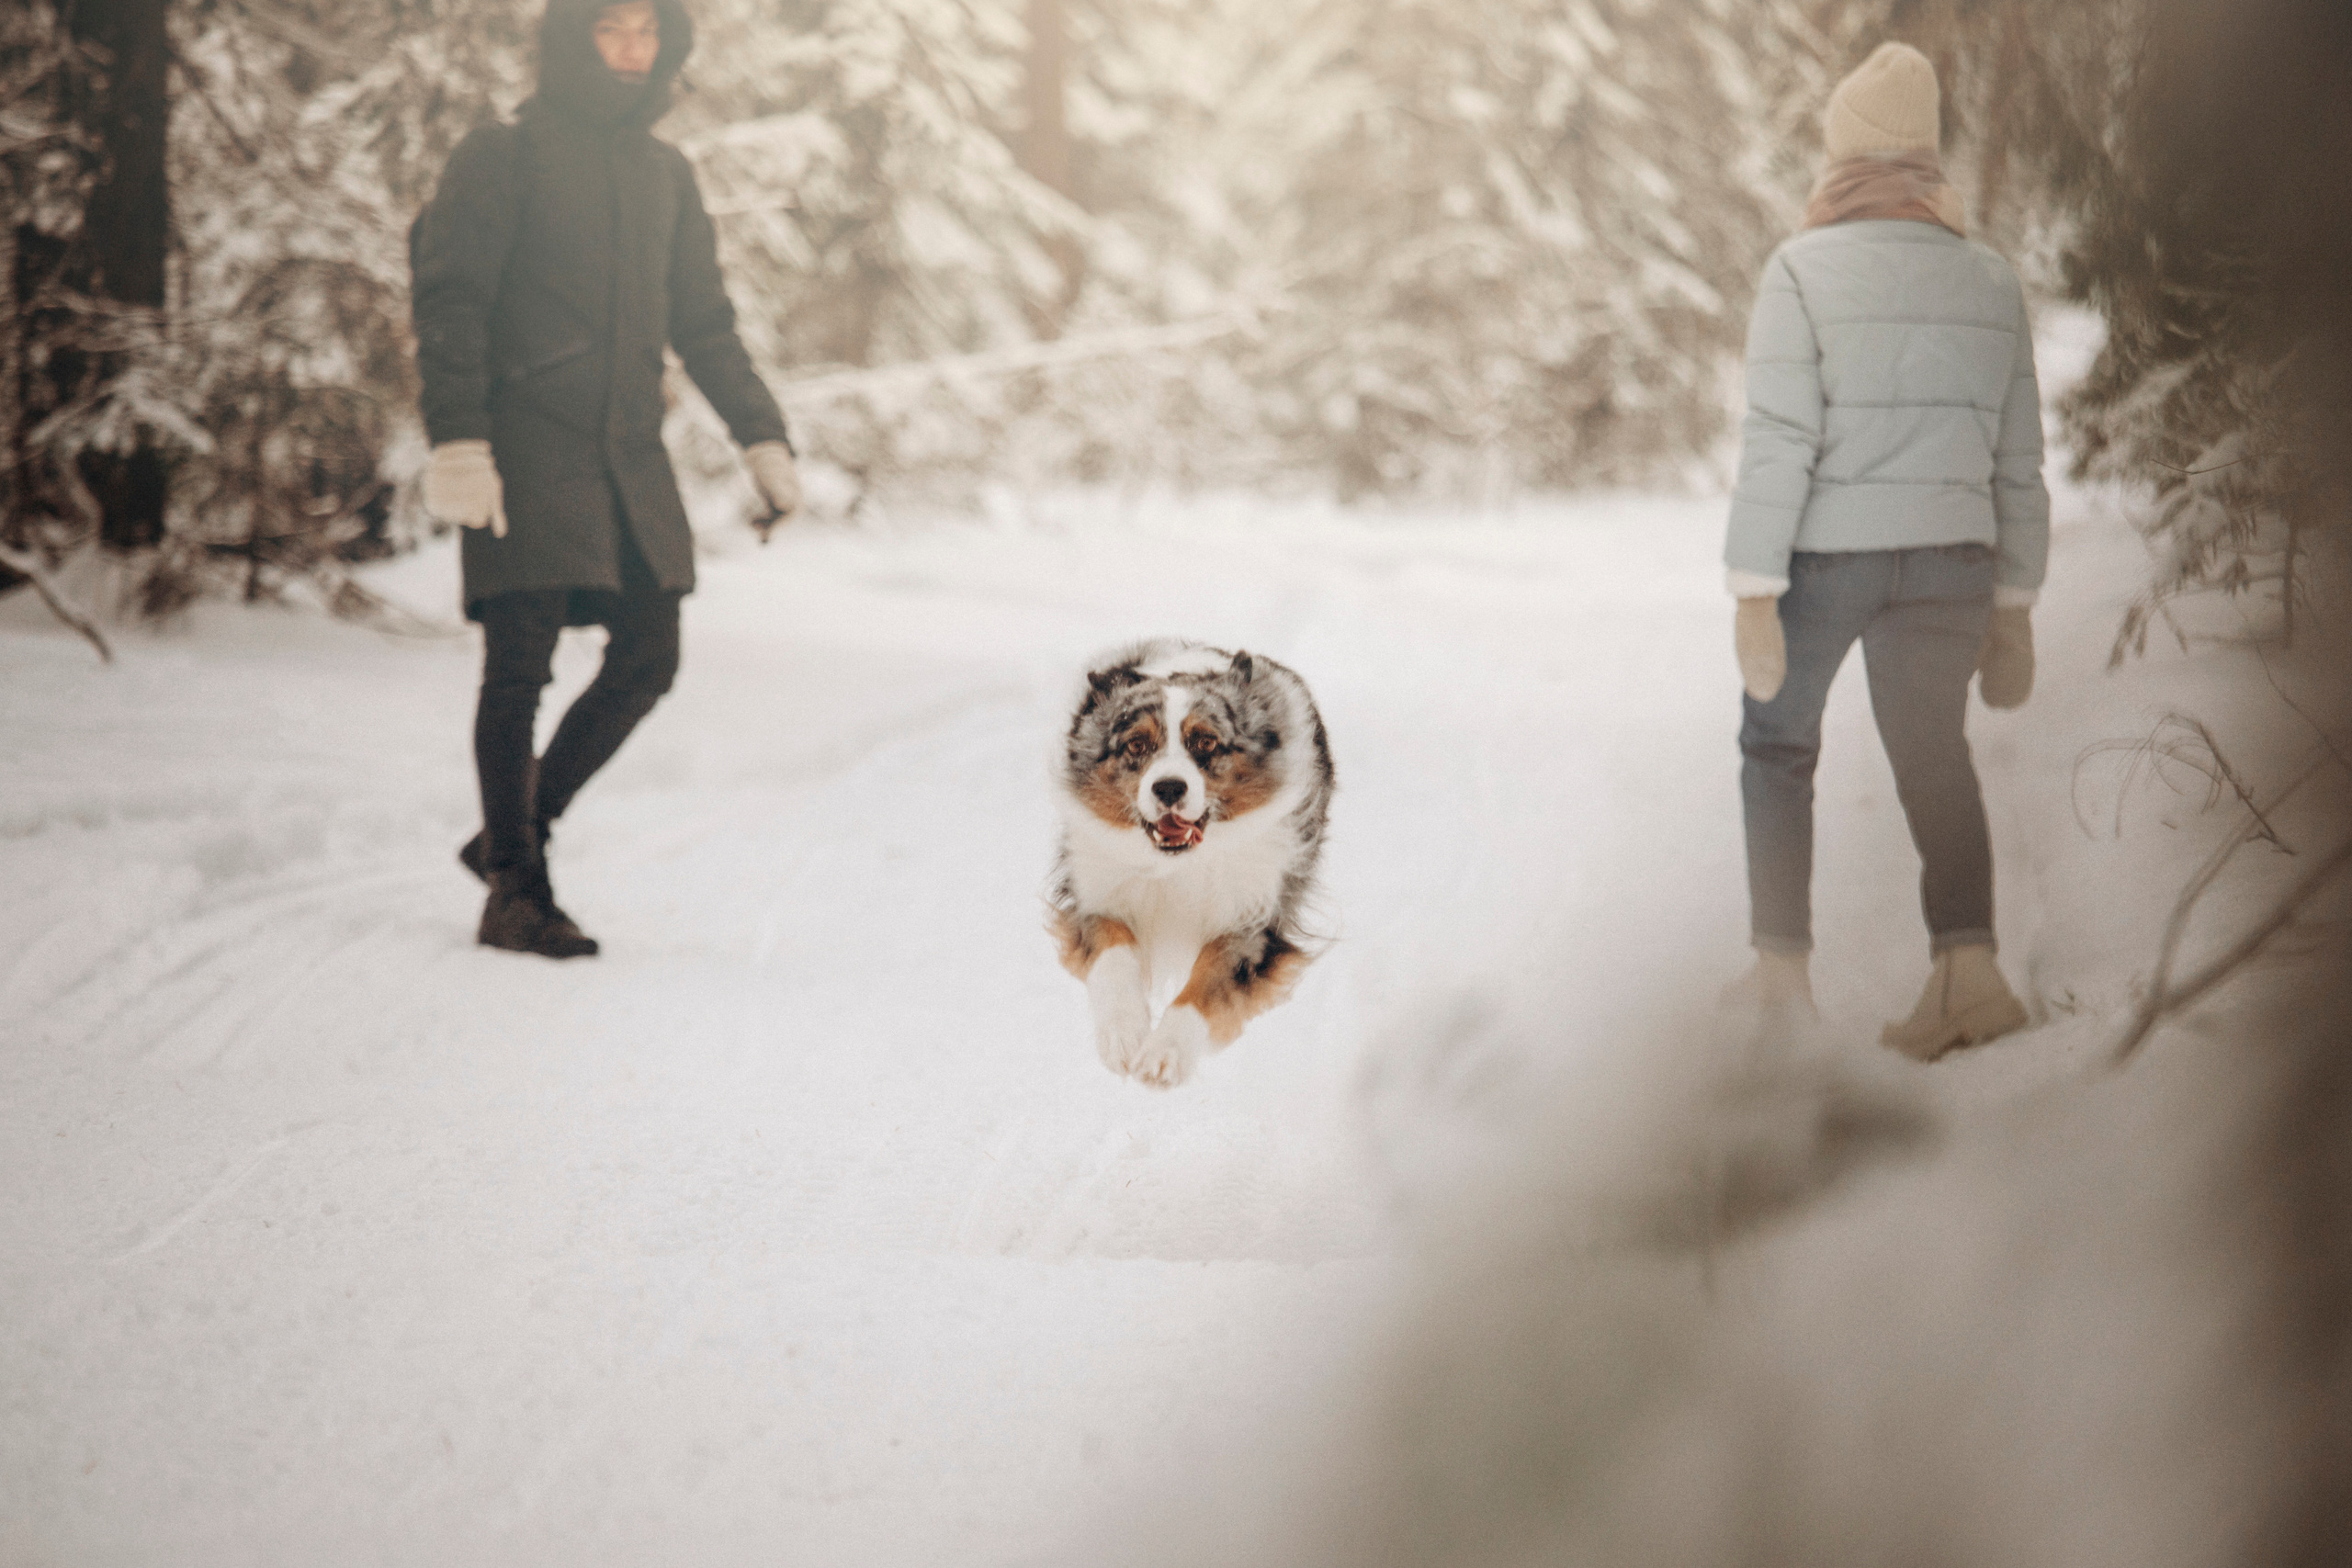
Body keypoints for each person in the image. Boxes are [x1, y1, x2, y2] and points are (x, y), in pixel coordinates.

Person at [410, 0, 801, 959]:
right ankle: (515, 890)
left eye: (648, 33)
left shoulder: (666, 173)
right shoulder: (504, 155)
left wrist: (762, 437)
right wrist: (459, 439)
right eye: (610, 29)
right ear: (570, 37)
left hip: (626, 451)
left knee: (649, 654)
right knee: (519, 668)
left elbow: (704, 323)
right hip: (525, 443)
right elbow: (451, 296)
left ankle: (512, 831)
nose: (632, 51)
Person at [1723, 42, 2049, 1059]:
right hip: (1952, 562)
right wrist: (2013, 604)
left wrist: (1751, 588)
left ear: (1842, 156)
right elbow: (2017, 459)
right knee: (1933, 758)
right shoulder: (1989, 278)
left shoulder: (1800, 270)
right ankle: (1969, 974)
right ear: (1927, 157)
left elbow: (1780, 440)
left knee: (1777, 748)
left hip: (1828, 560)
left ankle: (1781, 989)